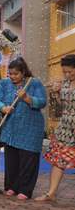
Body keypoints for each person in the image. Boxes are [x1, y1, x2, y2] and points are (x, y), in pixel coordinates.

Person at [0, 57, 46, 200]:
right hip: (11, 127)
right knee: (12, 159)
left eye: (16, 74)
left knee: (28, 160)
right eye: (10, 73)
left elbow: (42, 101)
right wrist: (3, 108)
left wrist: (27, 98)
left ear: (23, 72)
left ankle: (25, 189)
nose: (12, 77)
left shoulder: (34, 83)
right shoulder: (4, 83)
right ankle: (11, 186)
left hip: (31, 128)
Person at [36, 54, 75, 201]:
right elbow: (61, 107)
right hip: (65, 128)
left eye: (70, 71)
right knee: (59, 160)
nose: (67, 74)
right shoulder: (64, 83)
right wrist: (57, 93)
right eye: (64, 71)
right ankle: (51, 193)